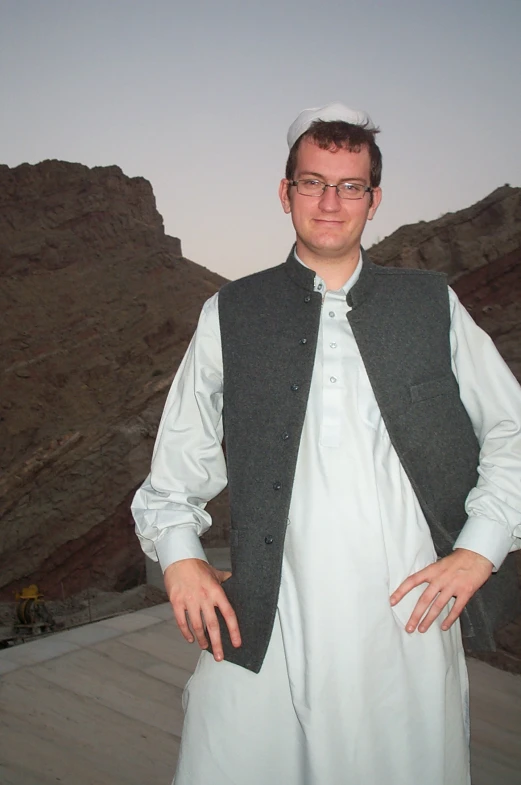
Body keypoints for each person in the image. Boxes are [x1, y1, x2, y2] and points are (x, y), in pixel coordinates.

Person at [131, 102, 521, 785]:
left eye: (349, 185)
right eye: (312, 182)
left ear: (373, 200)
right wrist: (180, 559)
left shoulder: (431, 301)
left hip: (404, 622)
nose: (330, 201)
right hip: (269, 618)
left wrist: (477, 547)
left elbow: (511, 429)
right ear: (285, 193)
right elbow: (177, 464)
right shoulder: (231, 311)